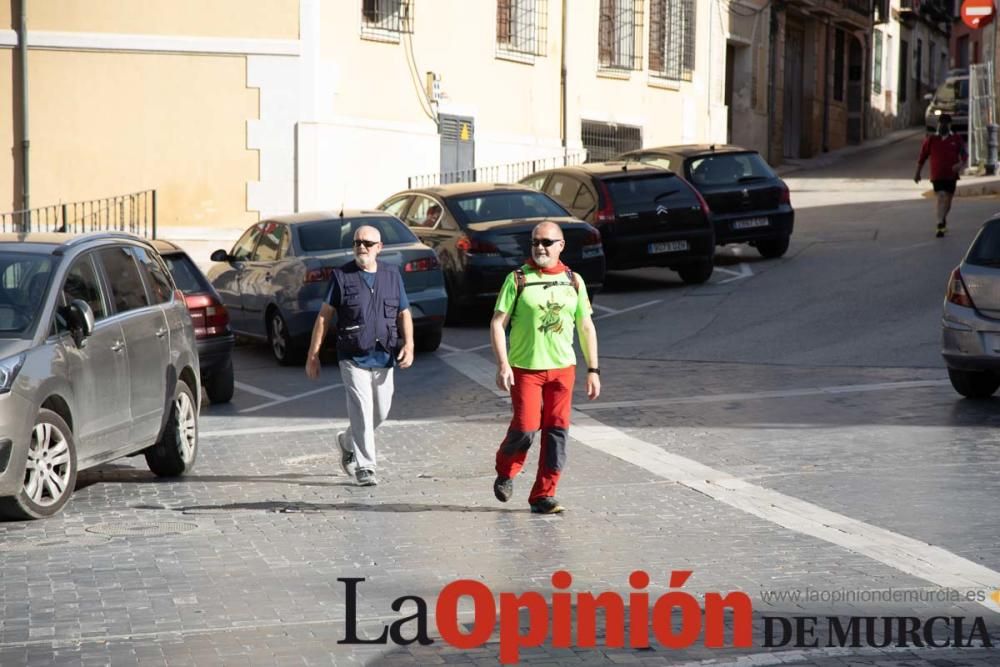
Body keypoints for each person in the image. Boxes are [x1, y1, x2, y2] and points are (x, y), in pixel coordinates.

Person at [489, 221, 601, 514]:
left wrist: (593, 369)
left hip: (563, 369)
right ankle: (505, 470)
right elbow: (498, 324)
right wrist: (503, 364)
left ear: (560, 246)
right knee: (526, 428)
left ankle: (543, 494)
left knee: (557, 432)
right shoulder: (517, 279)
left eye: (547, 242)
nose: (540, 247)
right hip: (526, 369)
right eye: (535, 242)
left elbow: (586, 326)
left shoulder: (573, 280)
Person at [305, 225, 414, 487]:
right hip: (352, 355)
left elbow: (403, 313)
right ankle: (366, 466)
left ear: (379, 248)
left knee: (382, 411)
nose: (361, 247)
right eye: (357, 243)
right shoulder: (342, 276)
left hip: (384, 355)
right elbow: (324, 316)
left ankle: (346, 441)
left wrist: (409, 343)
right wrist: (313, 354)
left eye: (367, 243)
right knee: (362, 409)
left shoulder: (391, 275)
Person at [915, 114, 968, 238]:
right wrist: (917, 173)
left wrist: (960, 164)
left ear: (950, 125)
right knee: (941, 197)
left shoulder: (956, 139)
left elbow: (964, 155)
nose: (943, 125)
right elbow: (922, 157)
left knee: (948, 201)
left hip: (951, 176)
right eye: (941, 122)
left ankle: (942, 219)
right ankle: (939, 224)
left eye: (946, 123)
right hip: (937, 175)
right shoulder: (931, 140)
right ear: (938, 124)